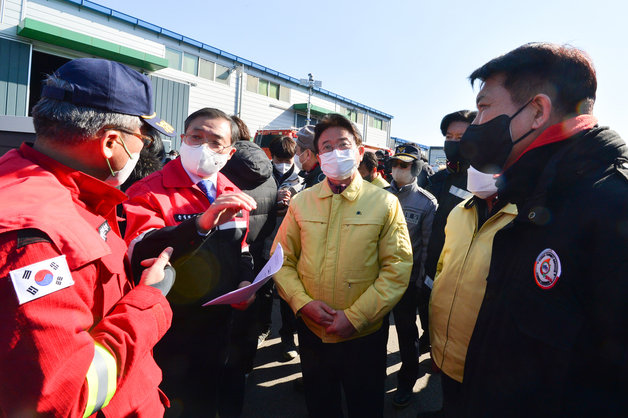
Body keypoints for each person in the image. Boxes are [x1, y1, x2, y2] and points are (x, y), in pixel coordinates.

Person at [458, 42, 628, 416]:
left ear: (537, 111)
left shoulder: (613, 205)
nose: (474, 126)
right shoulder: (538, 192)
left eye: (484, 108)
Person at [0, 58, 176, 416]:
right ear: (112, 141)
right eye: (143, 138)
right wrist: (148, 300)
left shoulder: (52, 188)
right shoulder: (34, 239)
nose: (145, 148)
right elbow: (65, 396)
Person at [273, 113, 413, 417]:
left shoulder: (385, 203)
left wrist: (356, 317)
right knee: (321, 405)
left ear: (359, 152)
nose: (336, 153)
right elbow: (281, 262)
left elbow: (397, 269)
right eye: (327, 147)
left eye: (343, 145)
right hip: (313, 332)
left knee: (366, 406)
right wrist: (302, 303)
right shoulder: (302, 201)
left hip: (364, 335)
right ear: (317, 155)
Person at [123, 107, 258, 417]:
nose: (203, 147)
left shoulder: (232, 192)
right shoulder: (147, 191)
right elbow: (139, 254)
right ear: (182, 139)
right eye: (196, 137)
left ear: (230, 151)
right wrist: (199, 224)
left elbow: (243, 247)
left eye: (215, 142)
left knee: (217, 401)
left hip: (222, 326)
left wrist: (245, 281)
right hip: (171, 331)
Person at [424, 168, 516, 417]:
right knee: (450, 398)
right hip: (446, 340)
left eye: (485, 161)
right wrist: (436, 344)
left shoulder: (523, 218)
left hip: (488, 356)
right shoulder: (459, 210)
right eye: (474, 160)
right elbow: (444, 268)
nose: (474, 168)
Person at [219, 115, 278, 417]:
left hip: (229, 257)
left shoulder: (224, 168)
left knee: (224, 328)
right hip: (260, 257)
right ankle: (245, 368)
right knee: (249, 319)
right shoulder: (268, 171)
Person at [384, 144, 437, 408]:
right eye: (395, 164)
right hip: (377, 279)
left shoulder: (426, 203)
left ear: (415, 168)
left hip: (407, 282)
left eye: (404, 166)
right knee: (374, 332)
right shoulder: (378, 195)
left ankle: (407, 380)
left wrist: (420, 285)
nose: (398, 169)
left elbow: (426, 248)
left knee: (407, 334)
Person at [422, 109, 476, 352]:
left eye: (461, 137)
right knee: (426, 306)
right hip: (429, 260)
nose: (453, 142)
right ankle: (429, 337)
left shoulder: (482, 181)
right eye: (449, 137)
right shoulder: (438, 178)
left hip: (459, 268)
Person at [266, 135, 304, 359]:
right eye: (280, 158)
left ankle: (287, 337)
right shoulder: (263, 177)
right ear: (272, 157)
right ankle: (263, 328)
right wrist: (273, 198)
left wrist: (292, 202)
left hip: (289, 247)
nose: (284, 163)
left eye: (288, 159)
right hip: (265, 242)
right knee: (263, 293)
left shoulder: (302, 180)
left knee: (288, 294)